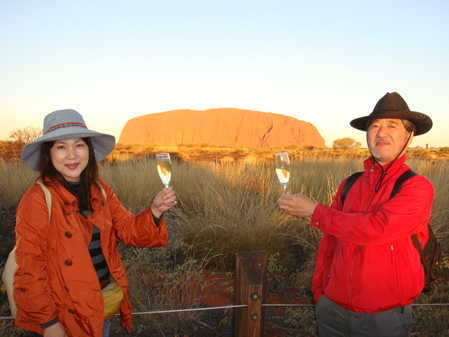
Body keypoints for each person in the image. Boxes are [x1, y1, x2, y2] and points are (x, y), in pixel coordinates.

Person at [278, 92, 434, 336]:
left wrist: (313, 210)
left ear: (410, 136)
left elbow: (375, 229)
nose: (381, 133)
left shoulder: (416, 187)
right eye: (374, 126)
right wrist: (321, 293)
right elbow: (330, 243)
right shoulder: (350, 184)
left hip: (384, 319)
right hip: (332, 311)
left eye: (391, 126)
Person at [14, 109, 176, 337]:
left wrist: (155, 210)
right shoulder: (38, 199)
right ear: (48, 154)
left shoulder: (99, 189)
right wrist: (48, 323)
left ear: (88, 149)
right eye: (61, 147)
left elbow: (129, 231)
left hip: (99, 306)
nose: (72, 155)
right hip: (63, 314)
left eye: (79, 145)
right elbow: (30, 268)